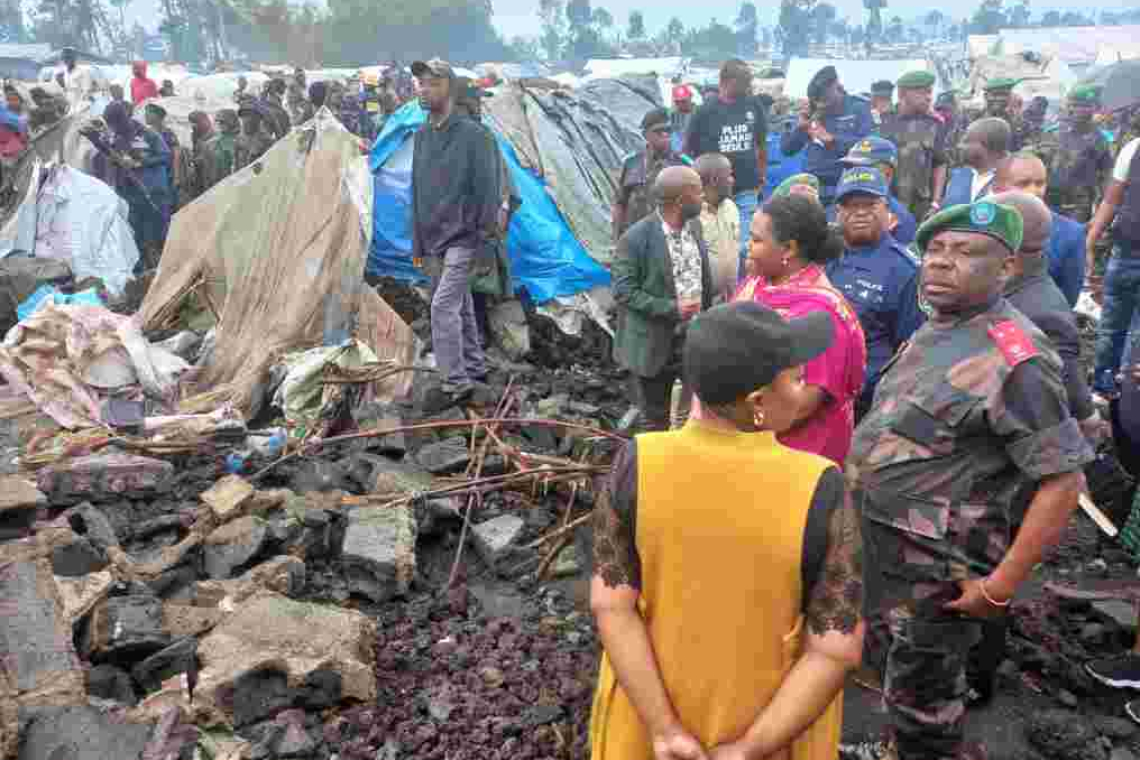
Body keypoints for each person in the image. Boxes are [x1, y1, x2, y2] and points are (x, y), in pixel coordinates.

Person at [849, 199, 1093, 759]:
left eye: (964, 252)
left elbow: (1062, 480)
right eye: (934, 250)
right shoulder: (938, 326)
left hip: (941, 573)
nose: (939, 263)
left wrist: (1001, 586)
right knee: (897, 674)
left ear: (1005, 268)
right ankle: (894, 747)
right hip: (886, 553)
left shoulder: (1019, 359)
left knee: (927, 701)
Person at [592, 300, 863, 760]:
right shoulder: (820, 485)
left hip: (648, 708)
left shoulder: (637, 460)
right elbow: (835, 649)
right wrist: (750, 748)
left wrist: (663, 728)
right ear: (759, 402)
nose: (803, 390)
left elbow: (612, 606)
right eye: (797, 379)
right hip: (768, 717)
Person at [734, 195, 866, 466]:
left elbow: (800, 407)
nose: (748, 248)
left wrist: (729, 424)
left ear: (789, 248)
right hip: (750, 438)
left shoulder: (821, 313)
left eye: (757, 240)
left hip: (796, 457)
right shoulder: (756, 284)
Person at [410, 58, 499, 413]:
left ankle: (455, 381)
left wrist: (484, 238)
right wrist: (416, 240)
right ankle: (475, 366)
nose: (423, 90)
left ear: (448, 87)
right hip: (432, 237)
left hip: (464, 236)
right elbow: (415, 189)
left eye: (431, 83)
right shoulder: (420, 136)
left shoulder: (474, 136)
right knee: (458, 304)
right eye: (420, 84)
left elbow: (488, 191)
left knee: (442, 306)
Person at [612, 166, 714, 432]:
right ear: (681, 200)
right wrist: (672, 308)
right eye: (698, 192)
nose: (703, 197)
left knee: (696, 412)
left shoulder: (695, 227)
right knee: (655, 417)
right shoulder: (635, 239)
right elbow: (624, 291)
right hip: (655, 344)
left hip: (694, 338)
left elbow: (703, 277)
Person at [826, 167, 923, 420]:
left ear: (887, 210)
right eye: (850, 205)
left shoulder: (905, 270)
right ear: (839, 212)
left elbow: (909, 352)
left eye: (869, 204)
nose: (860, 212)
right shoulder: (825, 255)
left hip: (864, 406)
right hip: (816, 390)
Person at [684, 59, 768, 271]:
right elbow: (687, 151)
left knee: (746, 247)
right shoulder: (705, 111)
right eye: (745, 81)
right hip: (712, 194)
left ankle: (743, 291)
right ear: (728, 81)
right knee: (711, 245)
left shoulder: (753, 105)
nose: (749, 86)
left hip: (746, 189)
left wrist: (762, 176)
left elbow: (760, 144)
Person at [80, 101, 171, 270]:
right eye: (112, 124)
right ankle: (142, 268)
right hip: (129, 192)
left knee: (158, 232)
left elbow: (166, 156)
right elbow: (109, 152)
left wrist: (140, 162)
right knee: (135, 233)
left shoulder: (148, 135)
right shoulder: (115, 136)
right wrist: (94, 139)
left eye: (117, 122)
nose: (115, 127)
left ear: (125, 118)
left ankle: (164, 265)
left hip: (152, 193)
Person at [991, 152, 1087, 307]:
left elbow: (1068, 299)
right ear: (997, 188)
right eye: (1023, 183)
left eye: (1040, 183)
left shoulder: (1070, 235)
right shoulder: (979, 225)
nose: (1034, 191)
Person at [1086, 124, 1140, 399]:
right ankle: (1102, 388)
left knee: (1136, 337)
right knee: (1111, 327)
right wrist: (1091, 238)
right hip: (1125, 253)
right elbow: (1111, 200)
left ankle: (1127, 397)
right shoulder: (1133, 149)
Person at [780, 65, 874, 207]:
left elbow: (869, 148)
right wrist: (800, 129)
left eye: (825, 98)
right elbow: (787, 149)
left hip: (846, 185)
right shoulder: (813, 111)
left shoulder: (858, 108)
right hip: (813, 186)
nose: (822, 105)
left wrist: (832, 140)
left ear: (835, 86)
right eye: (818, 101)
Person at [1035, 85, 1114, 225]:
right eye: (1076, 106)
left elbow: (1105, 176)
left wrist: (1103, 209)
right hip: (1048, 201)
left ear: (1093, 109)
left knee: (1073, 241)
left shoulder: (1100, 140)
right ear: (1069, 107)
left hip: (1078, 207)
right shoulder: (1052, 133)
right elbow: (1037, 165)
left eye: (1085, 106)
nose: (1079, 111)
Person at [878, 71, 948, 224]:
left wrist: (936, 202)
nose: (929, 97)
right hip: (888, 205)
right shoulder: (883, 122)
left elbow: (940, 163)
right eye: (922, 93)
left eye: (930, 92)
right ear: (902, 94)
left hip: (921, 209)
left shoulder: (934, 124)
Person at [614, 107, 683, 242]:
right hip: (635, 238)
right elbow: (620, 203)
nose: (664, 135)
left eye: (668, 131)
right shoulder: (632, 163)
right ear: (645, 134)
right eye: (658, 131)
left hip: (669, 241)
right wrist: (617, 239)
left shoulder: (682, 165)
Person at [835, 137, 917, 246]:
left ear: (888, 174)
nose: (854, 172)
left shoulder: (901, 219)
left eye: (864, 168)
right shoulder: (838, 203)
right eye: (850, 167)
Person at [694, 153, 739, 301]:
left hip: (729, 300)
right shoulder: (692, 217)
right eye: (729, 175)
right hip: (702, 304)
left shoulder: (731, 208)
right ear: (714, 180)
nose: (733, 180)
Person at [942, 117, 1010, 207]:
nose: (959, 146)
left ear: (986, 143)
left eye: (966, 141)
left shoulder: (1011, 182)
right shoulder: (958, 176)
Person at [143, 102, 183, 205]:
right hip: (152, 177)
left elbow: (176, 155)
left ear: (157, 116)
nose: (145, 116)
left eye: (148, 113)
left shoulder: (167, 133)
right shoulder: (145, 133)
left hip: (167, 175)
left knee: (170, 205)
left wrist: (176, 176)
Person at [981, 77, 1026, 150]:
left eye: (1004, 95)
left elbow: (1016, 147)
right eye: (995, 95)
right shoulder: (974, 118)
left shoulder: (1013, 121)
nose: (1000, 98)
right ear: (986, 96)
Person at [201, 109, 239, 193]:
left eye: (222, 122)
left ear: (232, 122)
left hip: (235, 184)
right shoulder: (210, 143)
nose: (219, 124)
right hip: (216, 185)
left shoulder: (241, 140)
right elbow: (206, 171)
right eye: (218, 122)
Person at [236, 96, 275, 168]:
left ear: (258, 118)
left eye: (249, 115)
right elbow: (236, 164)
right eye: (243, 115)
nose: (246, 119)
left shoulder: (266, 141)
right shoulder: (239, 139)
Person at [58, 48, 95, 112]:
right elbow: (64, 90)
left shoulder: (83, 72)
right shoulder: (64, 73)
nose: (66, 61)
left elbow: (86, 91)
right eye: (64, 59)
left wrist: (80, 107)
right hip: (67, 107)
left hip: (79, 106)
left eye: (68, 58)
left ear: (73, 59)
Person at [670, 83, 695, 154]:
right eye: (677, 102)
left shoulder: (699, 113)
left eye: (684, 101)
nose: (680, 105)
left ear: (690, 97)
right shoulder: (672, 115)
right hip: (678, 153)